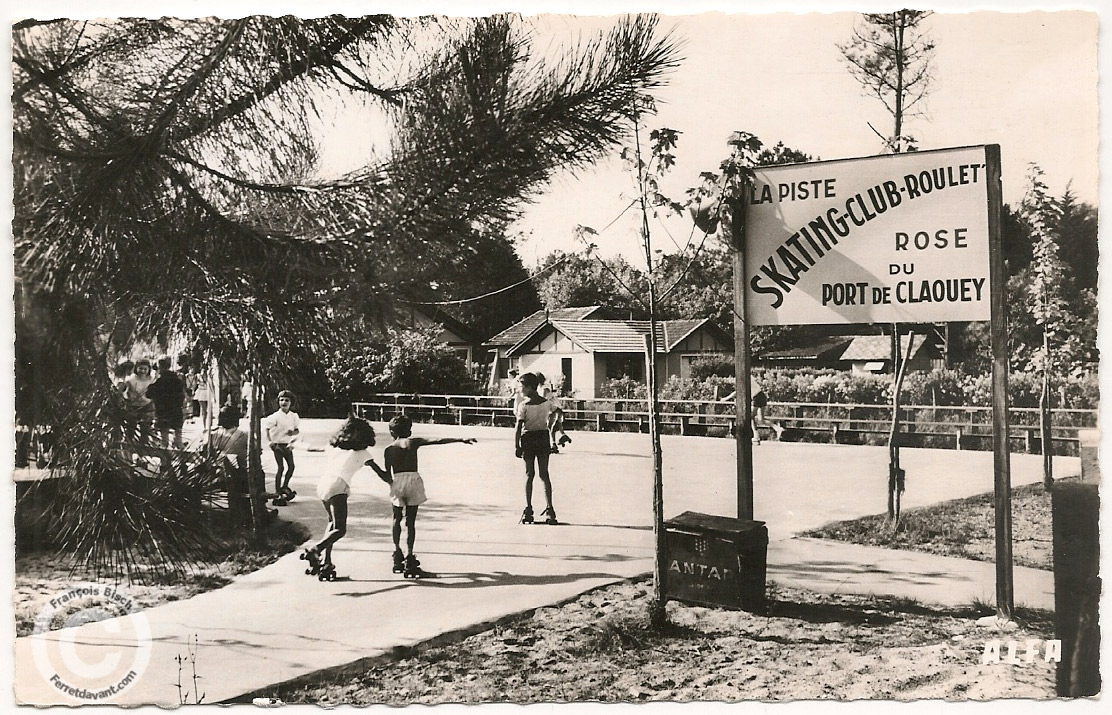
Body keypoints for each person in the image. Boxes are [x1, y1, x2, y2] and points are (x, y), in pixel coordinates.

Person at [366, 414, 476, 577]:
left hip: (397, 481)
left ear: (391, 432)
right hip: (414, 481)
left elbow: (386, 476)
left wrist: (372, 465)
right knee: (411, 521)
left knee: (396, 518)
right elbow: (437, 441)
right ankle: (410, 556)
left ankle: (397, 553)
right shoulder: (413, 442)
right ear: (408, 430)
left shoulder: (389, 450)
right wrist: (460, 439)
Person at [302, 417, 379, 581]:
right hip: (338, 486)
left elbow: (313, 448)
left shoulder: (333, 447)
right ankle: (316, 549)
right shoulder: (363, 453)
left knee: (332, 523)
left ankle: (326, 562)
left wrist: (298, 442)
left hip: (322, 485)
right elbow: (381, 473)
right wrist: (394, 482)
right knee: (340, 529)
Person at [208, 405, 275, 526]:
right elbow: (257, 452)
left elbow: (203, 451)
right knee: (258, 473)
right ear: (236, 420)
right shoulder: (244, 436)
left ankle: (241, 514)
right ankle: (261, 509)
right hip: (240, 477)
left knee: (238, 474)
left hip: (217, 476)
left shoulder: (213, 434)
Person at [514, 372, 558, 525]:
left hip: (528, 439)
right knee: (544, 474)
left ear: (529, 387)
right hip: (543, 437)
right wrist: (551, 425)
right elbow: (557, 411)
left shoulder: (523, 405)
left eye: (522, 386)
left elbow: (519, 426)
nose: (520, 389)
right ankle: (550, 509)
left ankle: (528, 509)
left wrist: (516, 445)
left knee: (529, 474)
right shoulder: (546, 403)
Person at [264, 390, 300, 505]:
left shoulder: (293, 416)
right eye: (281, 400)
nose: (284, 402)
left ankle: (285, 486)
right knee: (281, 468)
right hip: (278, 445)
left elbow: (297, 430)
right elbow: (267, 429)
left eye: (287, 400)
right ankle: (277, 491)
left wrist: (292, 434)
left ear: (291, 402)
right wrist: (270, 442)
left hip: (287, 445)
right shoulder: (275, 416)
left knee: (291, 466)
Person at [147, 356, 186, 448]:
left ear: (159, 366)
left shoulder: (159, 381)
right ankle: (181, 458)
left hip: (162, 411)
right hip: (176, 410)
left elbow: (149, 394)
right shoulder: (177, 380)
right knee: (178, 438)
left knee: (164, 440)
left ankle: (165, 460)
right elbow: (181, 396)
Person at [536, 372, 572, 454]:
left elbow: (544, 399)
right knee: (555, 425)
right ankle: (562, 436)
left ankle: (554, 444)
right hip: (553, 407)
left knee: (550, 426)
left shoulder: (544, 388)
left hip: (554, 407)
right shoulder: (541, 388)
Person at [124, 358, 156, 442]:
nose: (143, 371)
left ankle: (143, 445)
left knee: (145, 428)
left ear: (149, 369)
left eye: (145, 369)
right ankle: (129, 444)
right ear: (136, 368)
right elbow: (125, 392)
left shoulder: (151, 380)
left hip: (147, 405)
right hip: (133, 405)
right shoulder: (131, 379)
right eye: (140, 368)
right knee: (131, 427)